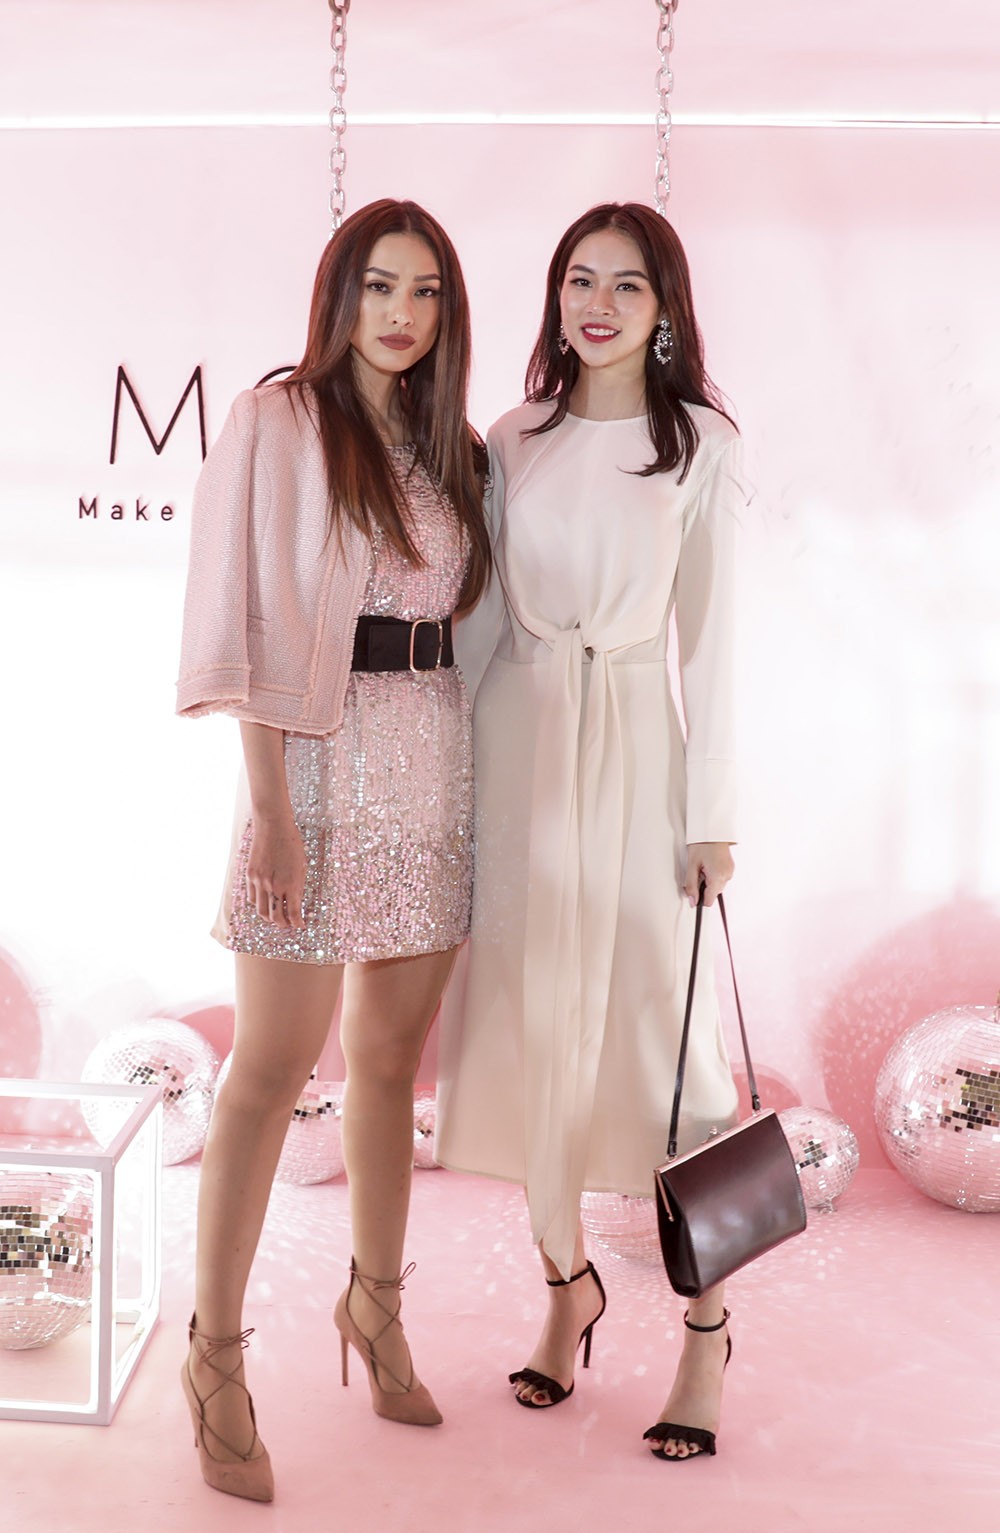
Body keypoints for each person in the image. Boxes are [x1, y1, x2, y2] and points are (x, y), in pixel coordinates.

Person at [175, 198, 490, 1501]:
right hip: (311, 764)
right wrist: (270, 804)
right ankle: (214, 1359)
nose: (401, 315)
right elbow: (246, 613)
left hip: (432, 765)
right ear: (338, 295)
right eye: (380, 287)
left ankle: (376, 1305)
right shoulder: (277, 421)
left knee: (389, 1071)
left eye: (425, 292)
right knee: (266, 1072)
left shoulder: (456, 447)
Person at [438, 202, 743, 1461]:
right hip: (519, 746)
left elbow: (713, 642)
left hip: (635, 746)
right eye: (579, 279)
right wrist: (442, 783)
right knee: (527, 1030)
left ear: (665, 308)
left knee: (662, 1047)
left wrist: (711, 816)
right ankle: (565, 1285)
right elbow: (475, 624)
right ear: (555, 297)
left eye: (626, 283)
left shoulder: (700, 445)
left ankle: (705, 1330)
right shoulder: (514, 437)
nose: (598, 303)